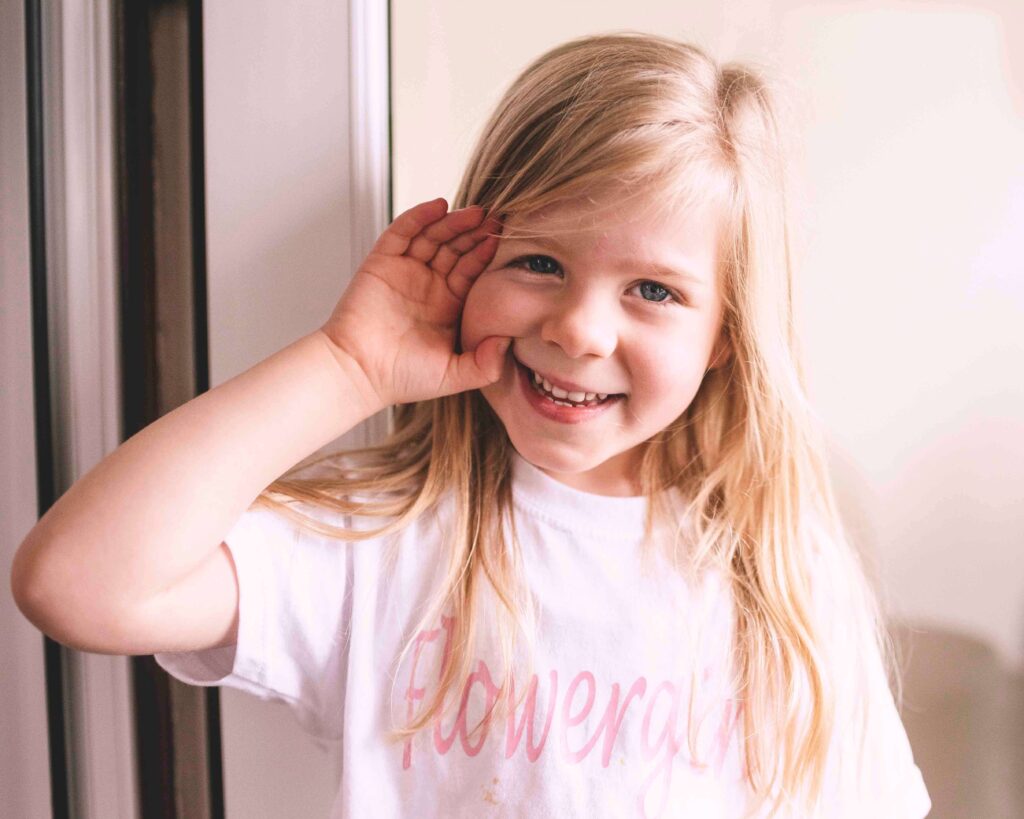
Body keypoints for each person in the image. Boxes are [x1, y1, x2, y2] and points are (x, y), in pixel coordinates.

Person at [11, 32, 932, 819]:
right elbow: (76, 582)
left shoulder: (778, 570)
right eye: (538, 260)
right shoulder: (389, 544)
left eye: (653, 290)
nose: (579, 329)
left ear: (723, 336)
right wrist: (348, 367)